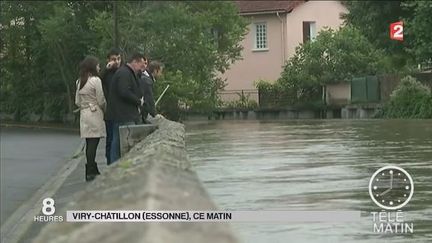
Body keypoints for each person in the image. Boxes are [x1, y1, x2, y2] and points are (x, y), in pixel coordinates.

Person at [106, 52, 147, 163]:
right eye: (141, 64)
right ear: (134, 62)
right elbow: (124, 91)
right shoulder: (124, 73)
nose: (142, 67)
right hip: (123, 115)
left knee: (118, 143)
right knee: (119, 144)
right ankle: (114, 168)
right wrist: (138, 101)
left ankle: (115, 167)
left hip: (124, 114)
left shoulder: (127, 72)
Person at [75, 56, 106, 181]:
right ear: (93, 66)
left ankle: (91, 168)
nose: (99, 67)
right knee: (94, 142)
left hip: (84, 113)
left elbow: (77, 101)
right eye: (98, 65)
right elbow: (101, 99)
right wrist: (103, 108)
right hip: (94, 112)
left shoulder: (79, 81)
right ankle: (91, 169)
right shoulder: (96, 80)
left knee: (89, 142)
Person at [100, 48, 122, 165]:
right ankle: (109, 161)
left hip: (120, 111)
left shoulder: (122, 72)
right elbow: (98, 81)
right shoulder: (106, 74)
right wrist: (106, 69)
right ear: (108, 60)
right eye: (114, 59)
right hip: (110, 111)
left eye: (118, 59)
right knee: (110, 138)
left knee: (118, 139)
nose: (117, 62)